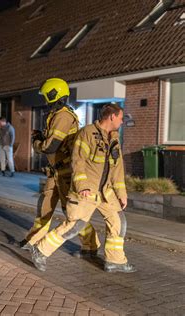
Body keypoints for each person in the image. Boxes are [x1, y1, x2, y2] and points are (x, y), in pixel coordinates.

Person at [32, 103, 136, 274]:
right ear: (111, 117)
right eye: (120, 117)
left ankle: (115, 261)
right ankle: (40, 250)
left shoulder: (114, 138)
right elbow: (78, 160)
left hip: (106, 192)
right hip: (87, 191)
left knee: (118, 222)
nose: (122, 122)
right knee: (75, 225)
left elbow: (118, 169)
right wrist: (82, 186)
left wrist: (122, 194)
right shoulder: (87, 133)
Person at [21, 78, 99, 256]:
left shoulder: (63, 116)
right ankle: (31, 241)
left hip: (65, 173)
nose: (45, 100)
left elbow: (51, 146)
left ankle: (91, 246)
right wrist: (41, 136)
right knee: (44, 208)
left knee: (73, 214)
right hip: (54, 172)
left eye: (46, 95)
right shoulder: (55, 115)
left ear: (53, 94)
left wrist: (36, 142)